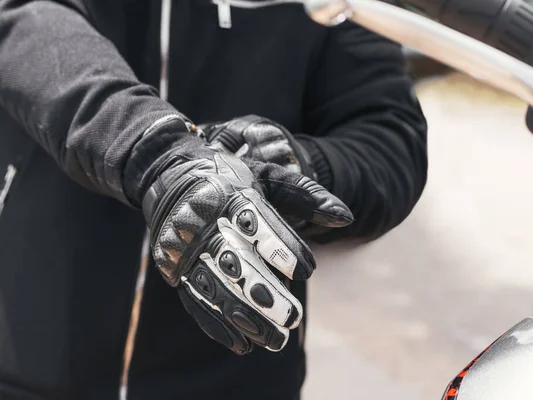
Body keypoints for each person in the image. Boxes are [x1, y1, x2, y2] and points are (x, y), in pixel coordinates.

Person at [0, 0, 428, 399]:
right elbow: (29, 19)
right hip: (26, 359)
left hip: (235, 375)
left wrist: (293, 168)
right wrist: (158, 155)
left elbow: (388, 132)